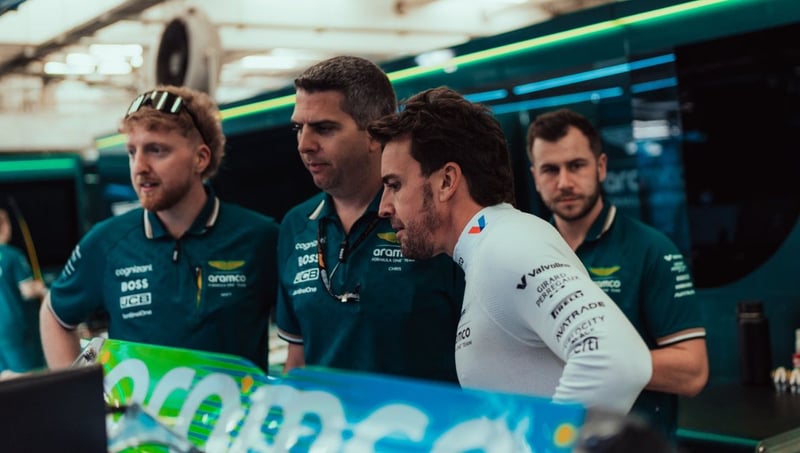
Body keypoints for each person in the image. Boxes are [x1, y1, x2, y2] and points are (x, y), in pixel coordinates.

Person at [369, 86, 651, 414]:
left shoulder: (506, 246)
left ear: (446, 182)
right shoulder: (494, 242)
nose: (383, 207)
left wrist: (546, 437)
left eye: (394, 185)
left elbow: (617, 359)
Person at [40, 86, 279, 370]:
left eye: (156, 150)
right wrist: (77, 393)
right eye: (132, 152)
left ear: (200, 158)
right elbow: (54, 315)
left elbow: (302, 330)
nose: (139, 166)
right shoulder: (107, 242)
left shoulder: (260, 238)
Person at [276, 56, 464, 383]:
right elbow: (297, 360)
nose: (305, 145)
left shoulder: (433, 217)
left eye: (323, 128)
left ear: (376, 133)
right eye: (298, 128)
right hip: (326, 415)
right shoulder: (296, 225)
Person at [527, 108, 708, 440]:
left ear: (601, 167)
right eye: (550, 170)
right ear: (535, 177)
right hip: (558, 441)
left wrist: (595, 365)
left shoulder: (651, 249)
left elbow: (692, 371)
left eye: (576, 165)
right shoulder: (527, 255)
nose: (564, 182)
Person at [0, 208, 47, 378]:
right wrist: (41, 288)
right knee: (25, 379)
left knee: (5, 379)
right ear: (4, 225)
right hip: (15, 329)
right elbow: (27, 291)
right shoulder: (12, 256)